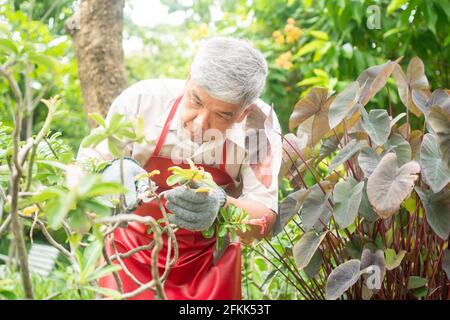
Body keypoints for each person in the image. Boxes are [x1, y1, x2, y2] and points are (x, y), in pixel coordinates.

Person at [76, 37, 282, 300]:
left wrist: (220, 204)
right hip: (129, 254)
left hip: (209, 266)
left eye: (223, 115)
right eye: (196, 101)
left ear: (244, 112)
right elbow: (81, 171)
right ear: (188, 80)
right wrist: (107, 185)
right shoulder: (142, 101)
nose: (200, 123)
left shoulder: (258, 128)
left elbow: (264, 218)